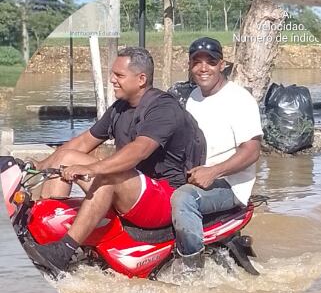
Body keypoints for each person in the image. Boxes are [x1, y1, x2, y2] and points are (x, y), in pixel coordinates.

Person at [24, 46, 204, 274]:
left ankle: (64, 250)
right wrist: (37, 166)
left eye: (119, 75)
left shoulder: (163, 107)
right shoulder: (120, 108)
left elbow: (139, 151)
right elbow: (82, 142)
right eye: (112, 74)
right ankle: (43, 234)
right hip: (136, 190)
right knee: (65, 156)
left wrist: (91, 168)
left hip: (165, 195)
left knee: (105, 175)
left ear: (141, 79)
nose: (112, 80)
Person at [170, 37, 263, 272]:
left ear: (222, 65)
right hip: (197, 177)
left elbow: (251, 151)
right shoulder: (193, 97)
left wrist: (213, 171)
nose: (203, 68)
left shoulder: (239, 99)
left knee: (184, 199)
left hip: (230, 184)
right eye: (196, 62)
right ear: (190, 66)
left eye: (210, 62)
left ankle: (193, 269)